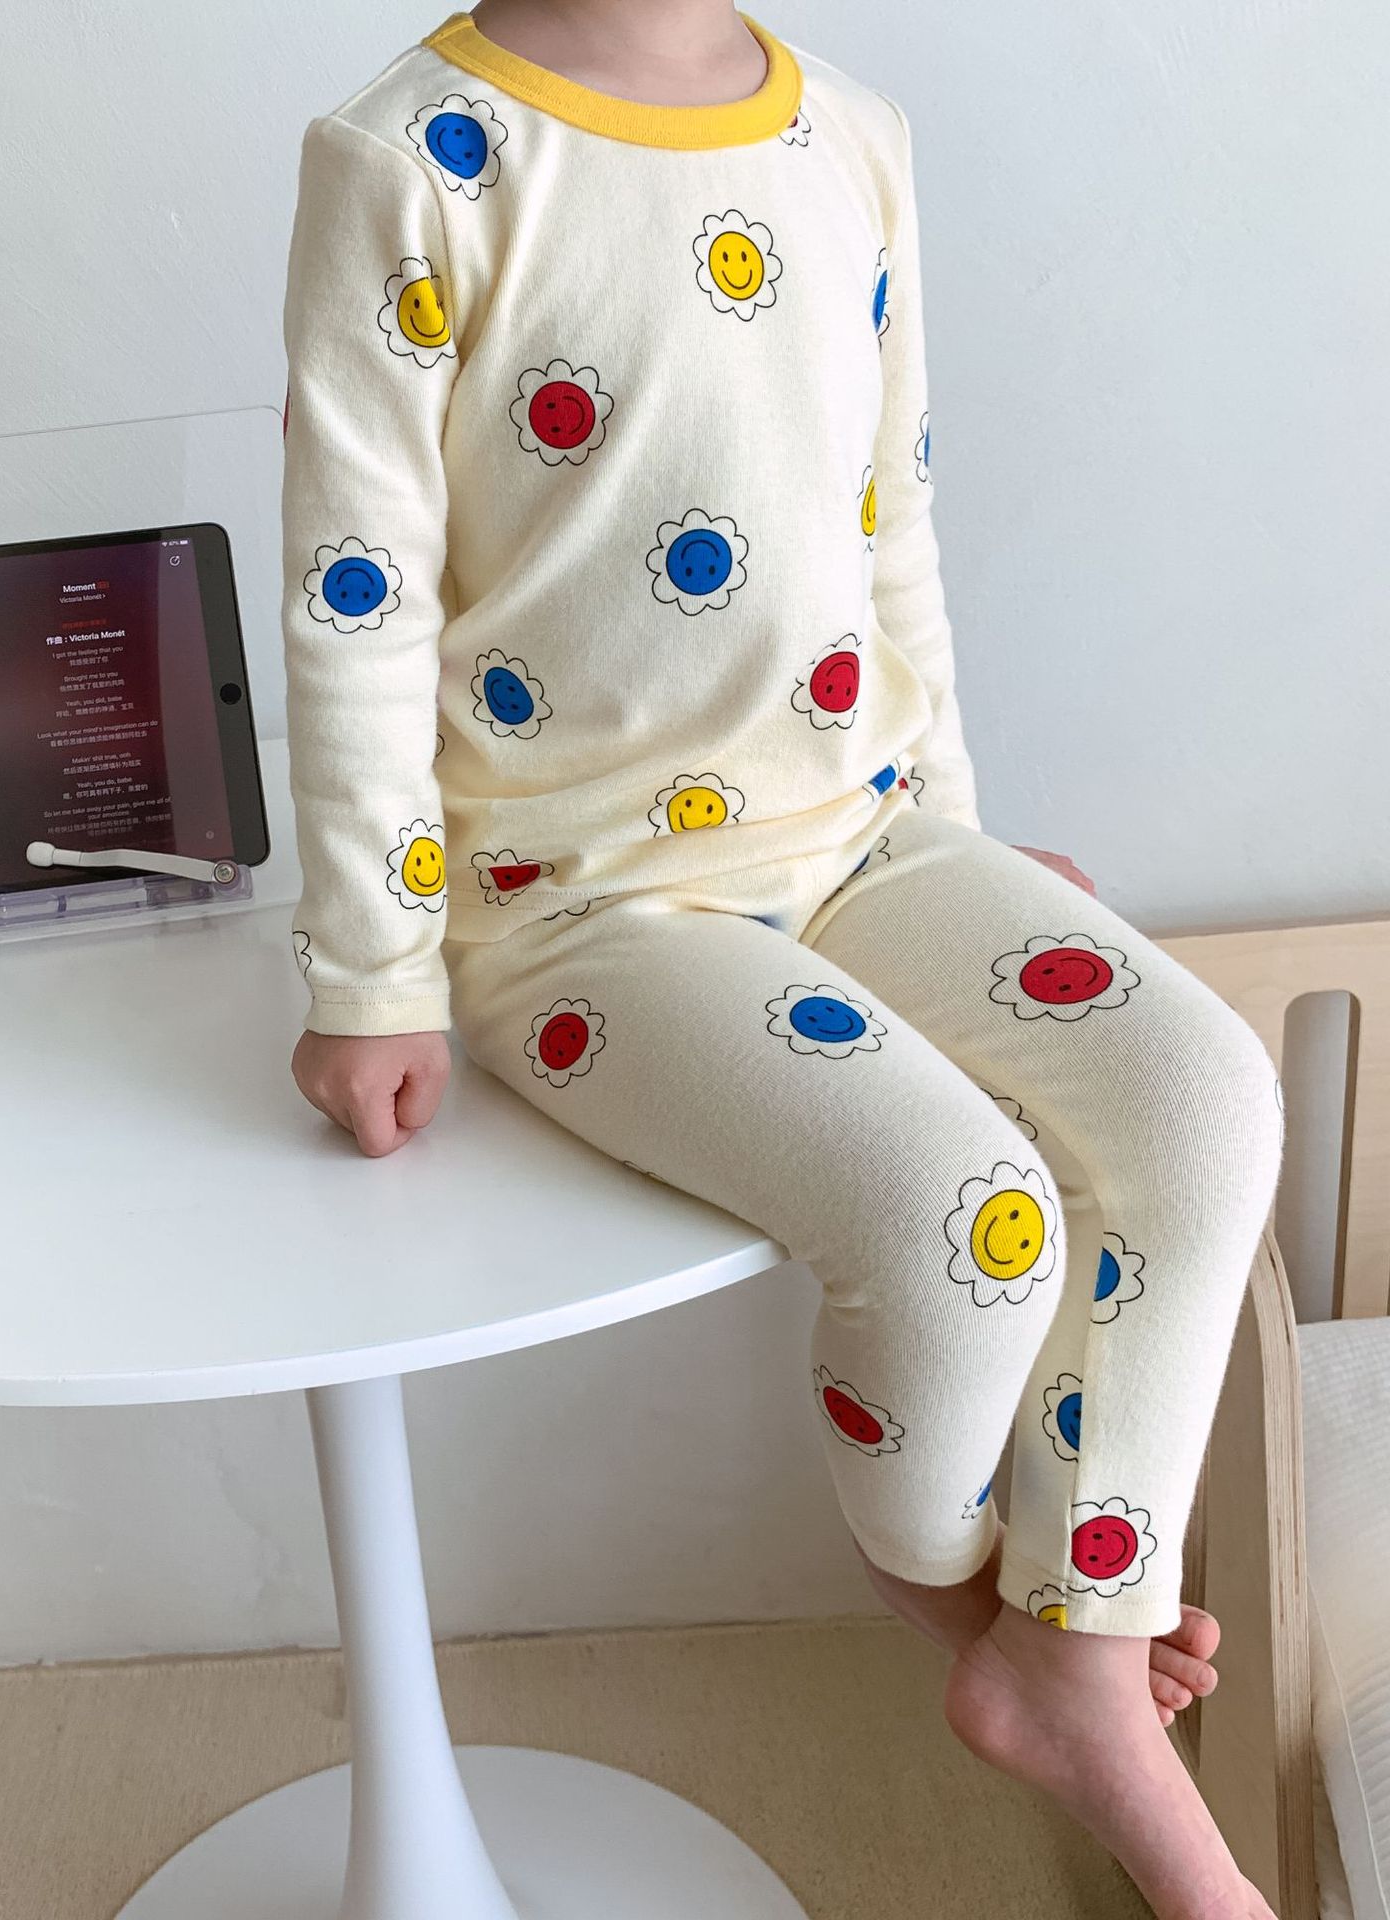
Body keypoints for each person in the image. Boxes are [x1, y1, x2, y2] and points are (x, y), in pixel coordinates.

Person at [278, 3, 1285, 1912]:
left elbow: (889, 525)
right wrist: (372, 972)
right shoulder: (410, 160)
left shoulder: (855, 135)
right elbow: (357, 592)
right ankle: (997, 1635)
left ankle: (1080, 1643)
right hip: (584, 902)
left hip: (864, 836)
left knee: (1208, 1096)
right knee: (966, 1218)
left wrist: (959, 825)